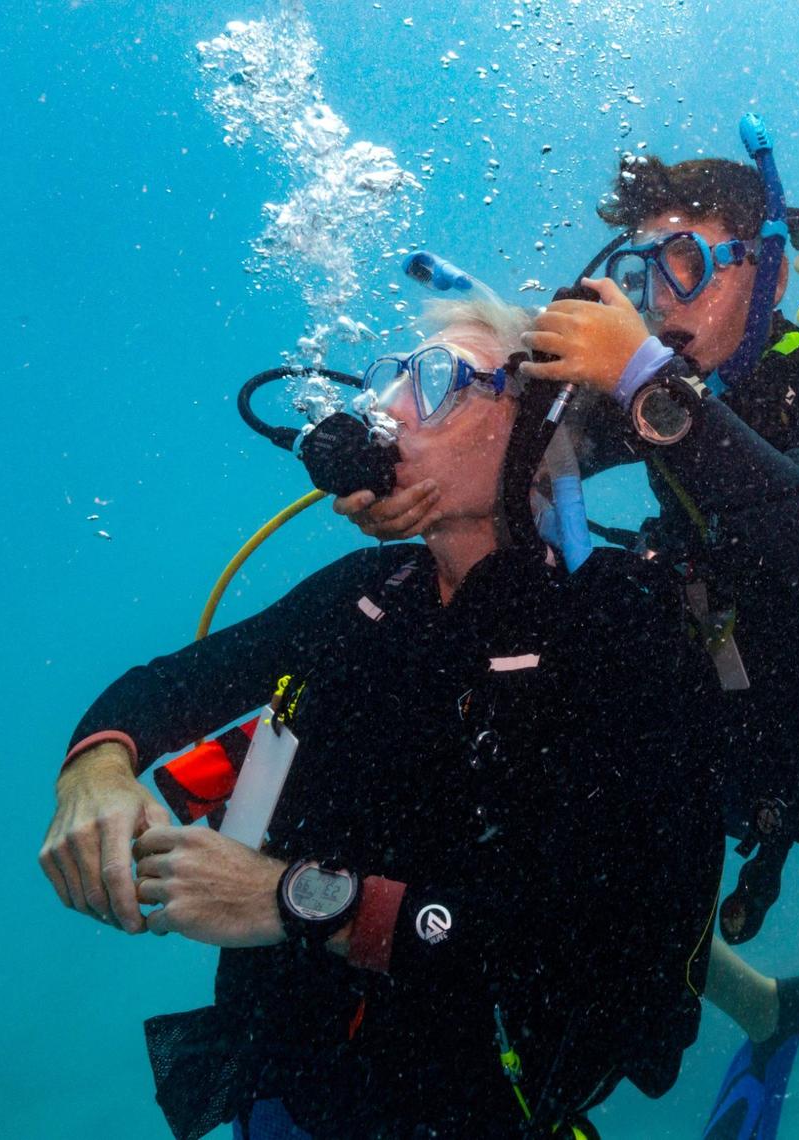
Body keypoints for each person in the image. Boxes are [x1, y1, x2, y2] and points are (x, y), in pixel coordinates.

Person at [39, 297, 728, 1140]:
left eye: (436, 381)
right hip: (294, 1079)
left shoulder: (619, 629)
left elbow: (584, 954)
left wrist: (293, 901)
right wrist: (97, 771)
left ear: (539, 427)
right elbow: (171, 686)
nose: (390, 408)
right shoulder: (372, 592)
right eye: (391, 378)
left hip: (477, 1102)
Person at [515, 152, 799, 1140]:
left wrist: (643, 374)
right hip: (709, 667)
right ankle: (769, 1011)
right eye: (642, 271)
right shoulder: (665, 364)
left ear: (765, 264)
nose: (658, 300)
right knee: (559, 846)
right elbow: (526, 467)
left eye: (687, 262)